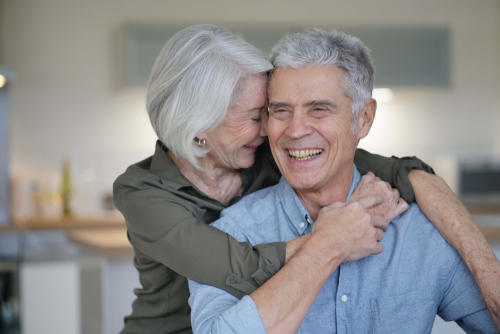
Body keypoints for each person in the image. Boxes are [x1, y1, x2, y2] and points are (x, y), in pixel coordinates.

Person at [113, 25, 500, 334]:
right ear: (199, 129)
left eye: (268, 112)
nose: (282, 130)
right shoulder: (146, 195)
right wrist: (332, 239)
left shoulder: (269, 150)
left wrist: (489, 269)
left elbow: (393, 168)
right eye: (266, 113)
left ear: (363, 119)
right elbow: (237, 264)